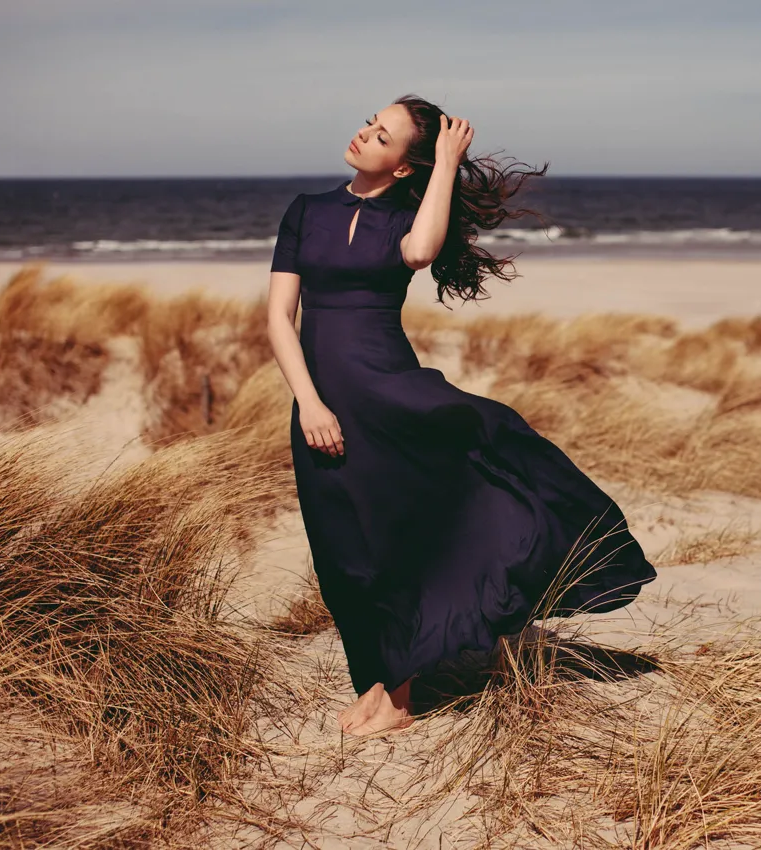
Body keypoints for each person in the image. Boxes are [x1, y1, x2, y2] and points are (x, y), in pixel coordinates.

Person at [265, 94, 656, 737]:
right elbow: (279, 318)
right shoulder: (305, 211)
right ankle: (377, 680)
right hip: (321, 403)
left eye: (382, 136)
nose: (364, 134)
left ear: (403, 166)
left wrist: (445, 163)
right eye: (370, 123)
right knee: (342, 549)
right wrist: (308, 401)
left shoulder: (408, 217)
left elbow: (420, 253)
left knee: (396, 536)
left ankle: (398, 697)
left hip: (388, 394)